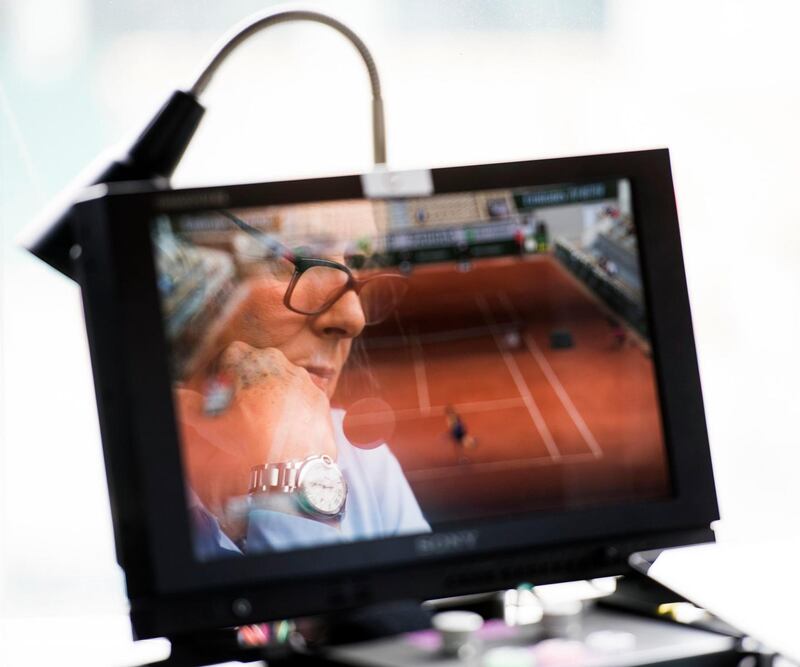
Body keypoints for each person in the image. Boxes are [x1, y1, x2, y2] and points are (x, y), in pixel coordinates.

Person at [165, 209, 431, 560]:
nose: (354, 317)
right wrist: (298, 484)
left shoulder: (366, 464)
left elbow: (409, 614)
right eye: (297, 257)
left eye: (356, 261)